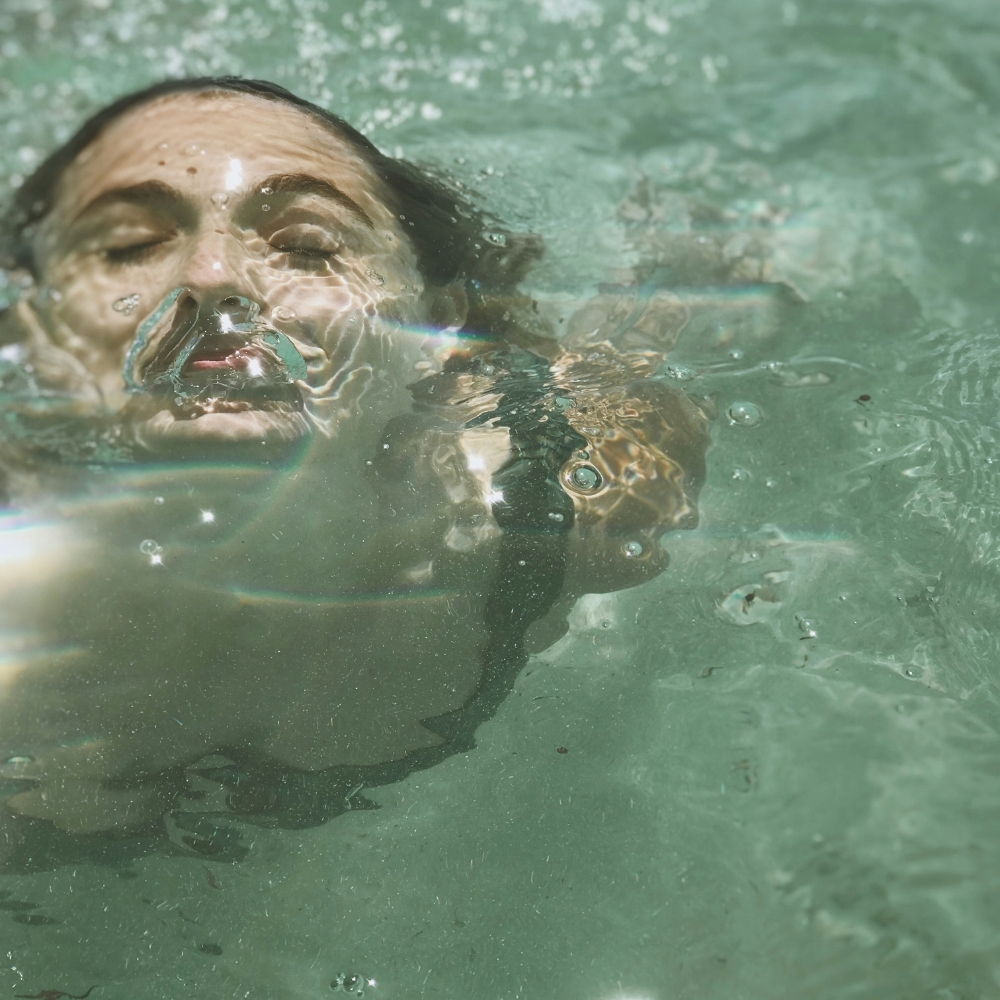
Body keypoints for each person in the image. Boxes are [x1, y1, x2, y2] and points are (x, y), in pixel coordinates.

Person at [0, 78, 710, 855]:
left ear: (436, 322)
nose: (212, 276)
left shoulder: (546, 512)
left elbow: (668, 305)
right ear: (29, 327)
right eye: (130, 245)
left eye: (307, 246)